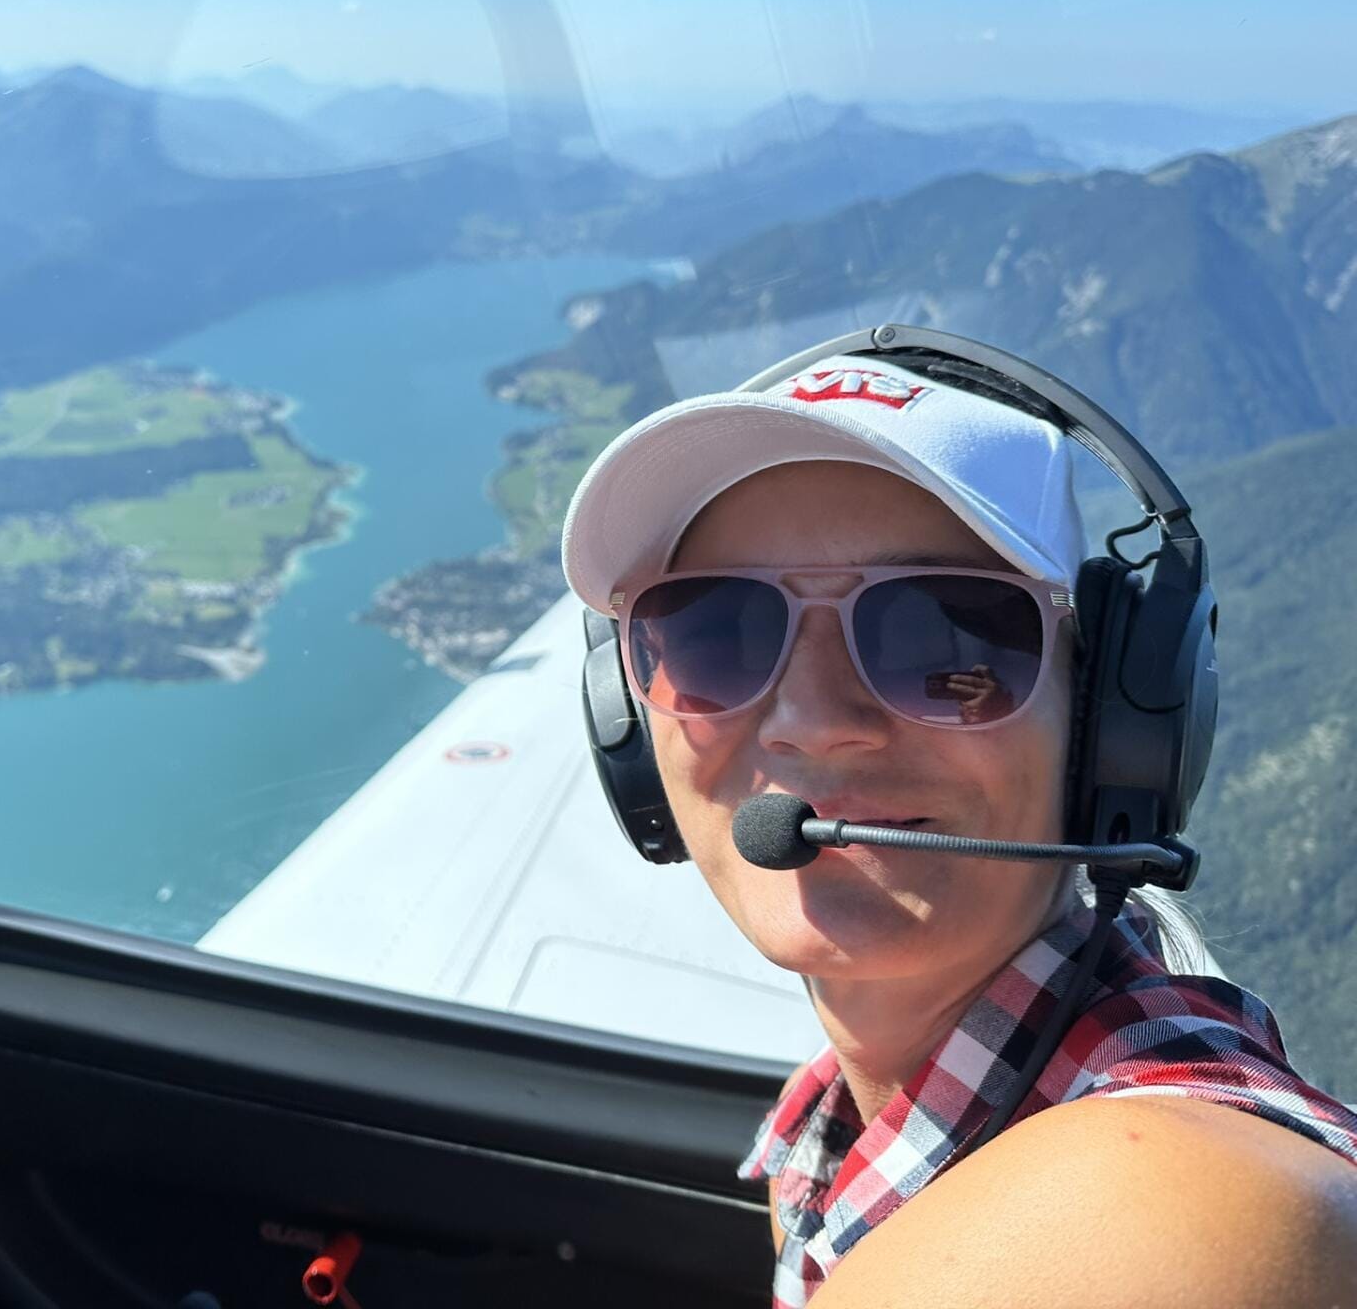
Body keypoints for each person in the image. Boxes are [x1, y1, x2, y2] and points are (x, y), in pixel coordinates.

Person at [560, 343, 1357, 1306]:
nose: (810, 719)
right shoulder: (838, 1136)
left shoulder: (1151, 1204)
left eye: (945, 639)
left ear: (1114, 724)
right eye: (714, 632)